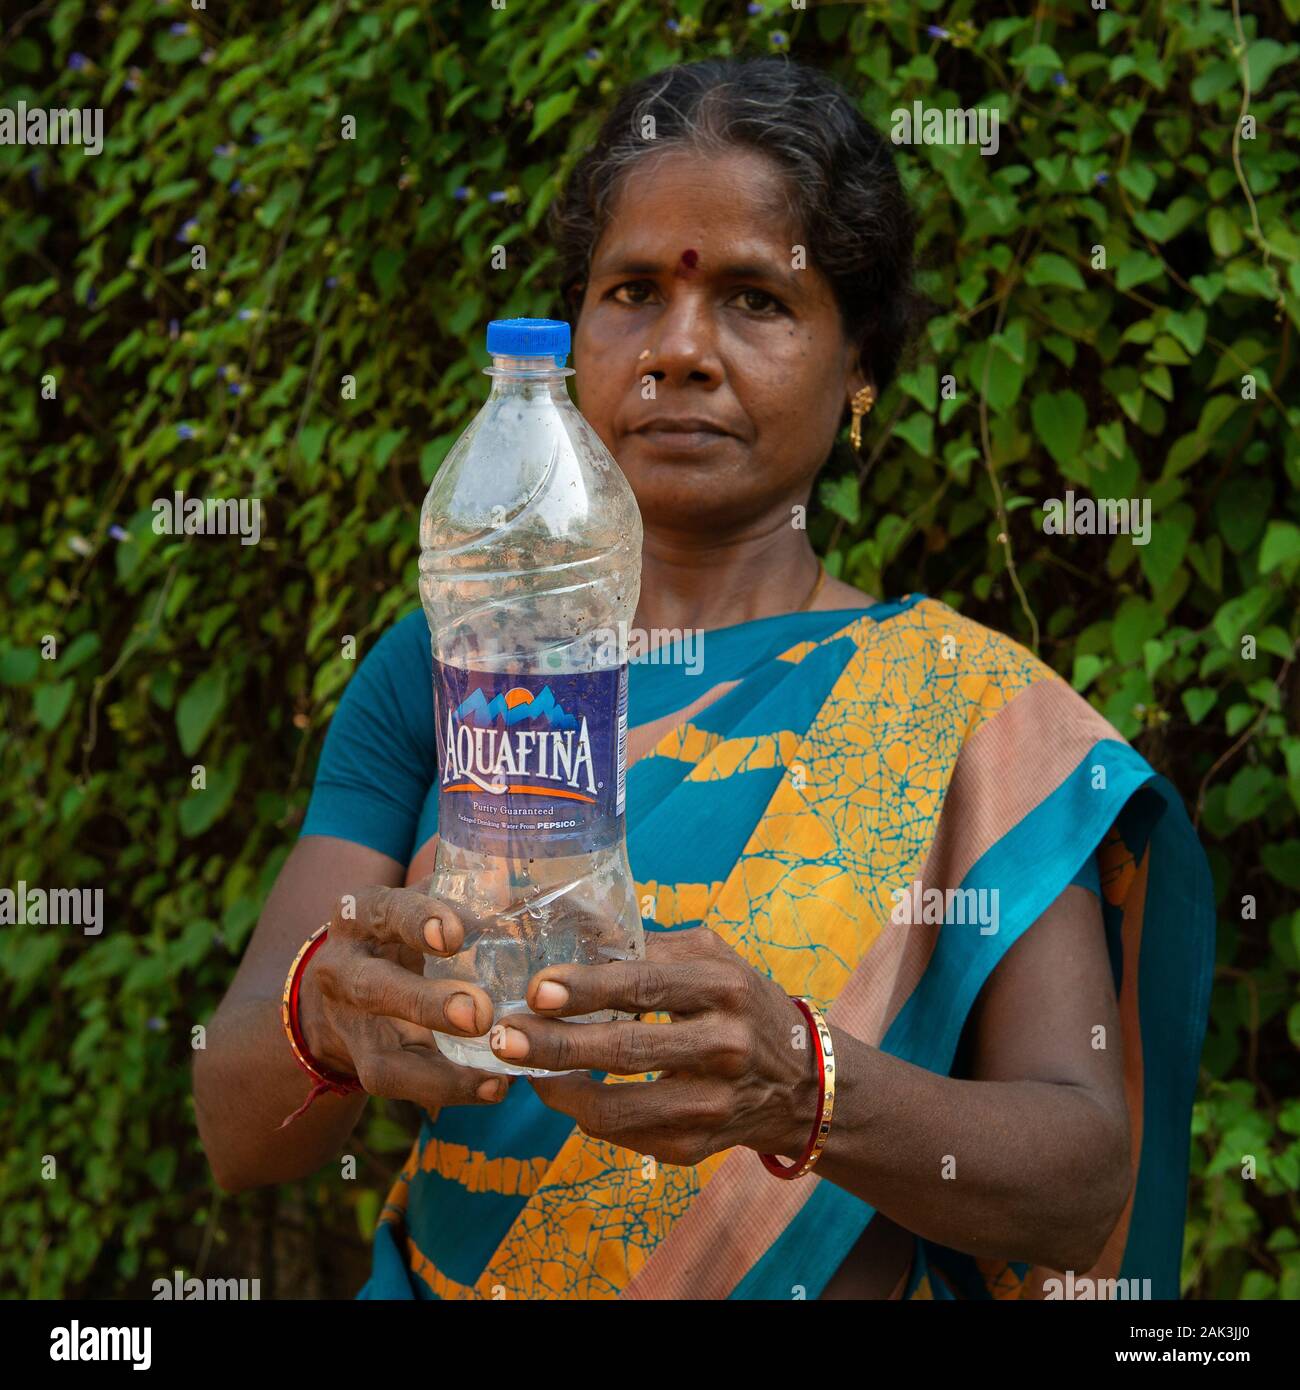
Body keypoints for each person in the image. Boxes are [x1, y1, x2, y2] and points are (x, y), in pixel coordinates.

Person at [193, 57, 1214, 1301]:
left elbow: (1077, 1183)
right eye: (630, 292)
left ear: (860, 374)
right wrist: (327, 1017)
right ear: (571, 341)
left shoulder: (964, 710)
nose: (679, 350)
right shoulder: (451, 666)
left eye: (756, 300)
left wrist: (807, 1081)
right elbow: (239, 1128)